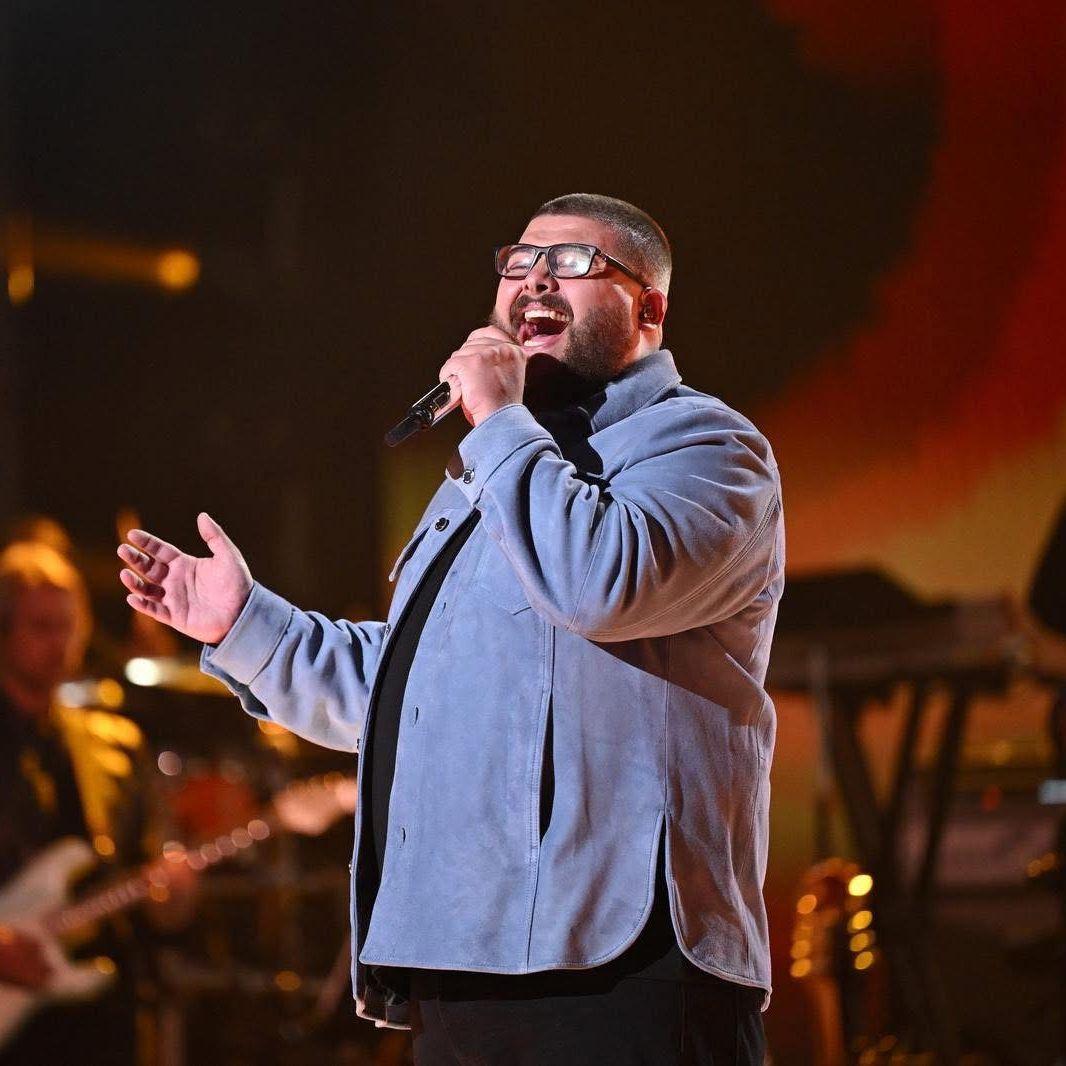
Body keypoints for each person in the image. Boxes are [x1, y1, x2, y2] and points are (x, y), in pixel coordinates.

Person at [118, 193, 785, 1065]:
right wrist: (244, 623)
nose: (535, 280)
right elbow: (409, 690)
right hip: (460, 964)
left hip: (624, 965)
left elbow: (603, 582)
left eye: (573, 263)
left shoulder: (707, 448)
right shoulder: (495, 470)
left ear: (649, 308)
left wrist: (502, 425)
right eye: (519, 263)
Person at [0, 540, 148, 1064]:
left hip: (92, 1016)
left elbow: (137, 870)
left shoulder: (110, 746)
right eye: (41, 627)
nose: (59, 643)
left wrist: (173, 896)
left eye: (68, 626)